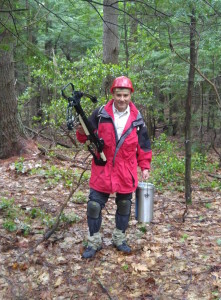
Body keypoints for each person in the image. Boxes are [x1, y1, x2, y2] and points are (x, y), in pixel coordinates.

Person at [76, 76, 152, 258]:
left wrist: (145, 166)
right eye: (119, 95)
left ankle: (119, 238)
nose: (122, 99)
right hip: (102, 168)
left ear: (130, 95)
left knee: (124, 205)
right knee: (94, 205)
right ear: (113, 94)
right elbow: (84, 137)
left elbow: (143, 145)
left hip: (126, 171)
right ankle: (94, 241)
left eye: (125, 95)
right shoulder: (100, 114)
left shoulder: (137, 120)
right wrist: (81, 130)